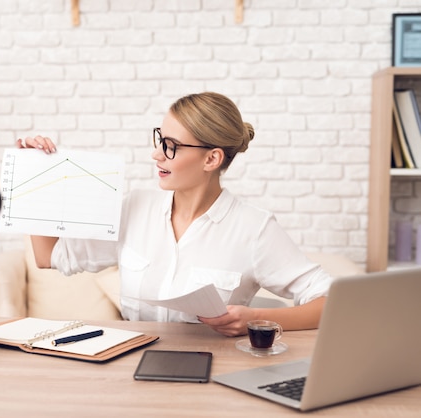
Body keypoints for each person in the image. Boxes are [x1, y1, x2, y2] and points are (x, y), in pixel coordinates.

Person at [18, 92, 332, 337]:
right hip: (134, 370)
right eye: (160, 139)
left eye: (171, 146)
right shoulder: (134, 207)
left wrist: (258, 319)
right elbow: (49, 255)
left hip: (215, 374)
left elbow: (331, 302)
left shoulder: (254, 228)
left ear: (211, 158)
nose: (156, 154)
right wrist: (38, 174)